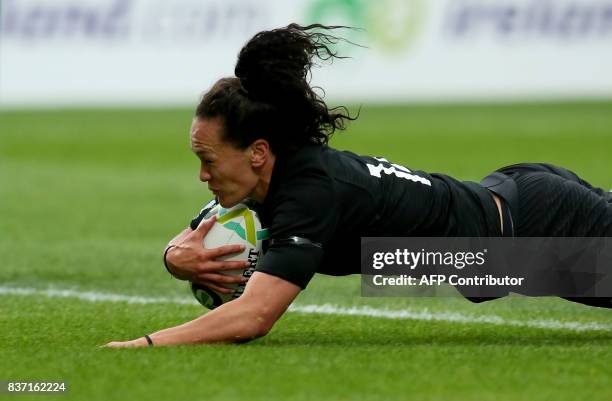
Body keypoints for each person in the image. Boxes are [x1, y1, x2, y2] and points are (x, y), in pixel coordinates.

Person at [104, 24, 612, 348]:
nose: (202, 176)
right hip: (503, 223)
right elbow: (198, 234)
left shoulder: (309, 191)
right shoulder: (273, 183)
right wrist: (174, 256)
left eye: (208, 159)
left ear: (258, 152)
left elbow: (254, 316)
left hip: (534, 232)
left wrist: (147, 344)